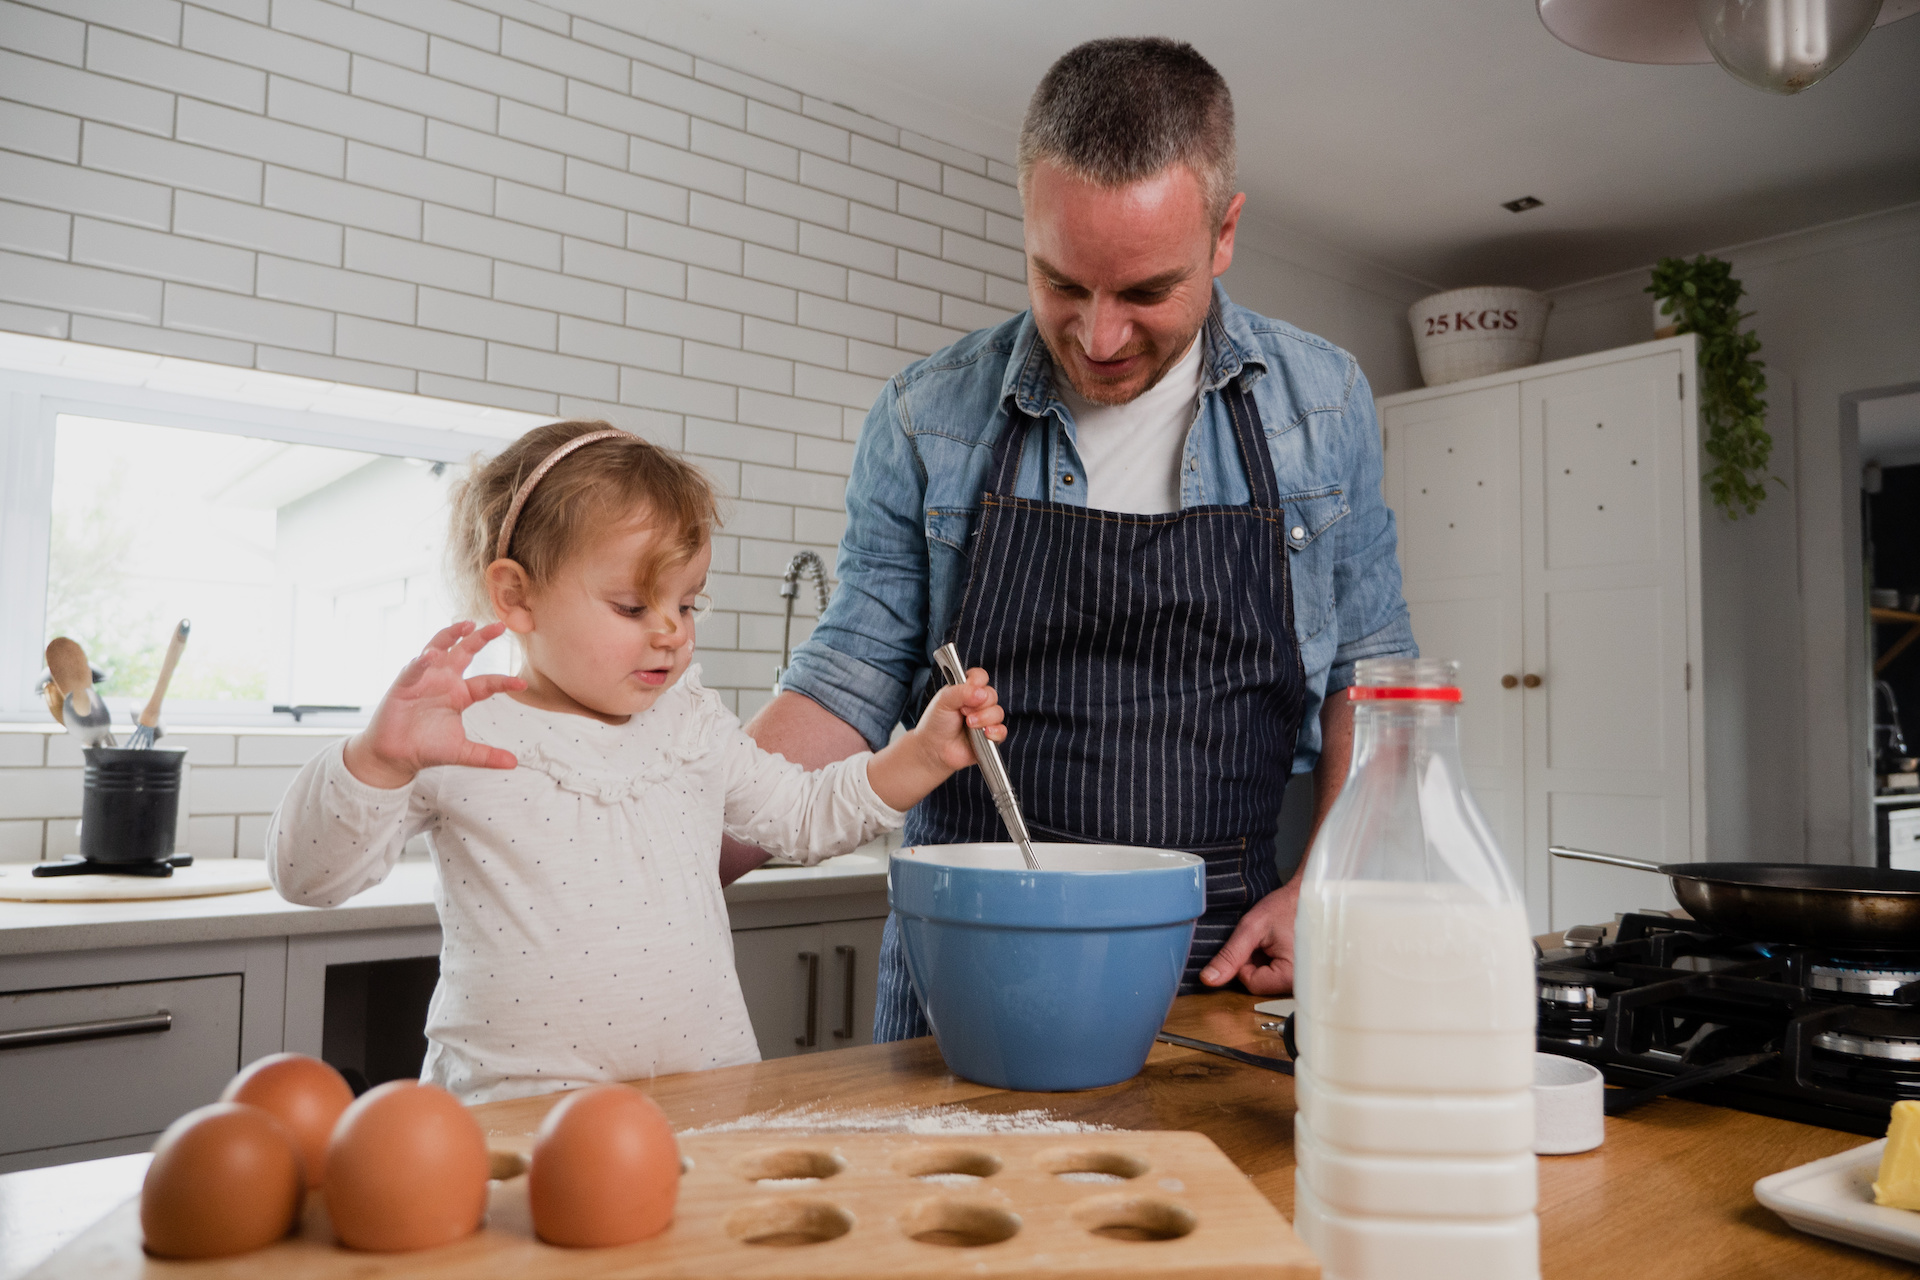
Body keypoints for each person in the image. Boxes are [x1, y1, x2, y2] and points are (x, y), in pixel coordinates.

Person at [725, 37, 1416, 1040]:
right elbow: (853, 668)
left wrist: (1332, 885)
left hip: (1217, 960)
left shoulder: (1323, 405)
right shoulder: (930, 414)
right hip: (964, 952)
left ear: (1224, 233)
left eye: (1144, 293)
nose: (1097, 337)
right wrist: (666, 841)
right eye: (1062, 284)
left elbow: (1374, 671)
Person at [265, 421, 1005, 1103]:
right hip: (516, 1111)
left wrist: (920, 755)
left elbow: (804, 815)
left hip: (704, 1097)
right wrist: (376, 760)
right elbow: (308, 878)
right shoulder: (457, 729)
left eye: (687, 605)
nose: (671, 635)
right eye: (632, 606)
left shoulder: (686, 719)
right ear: (517, 597)